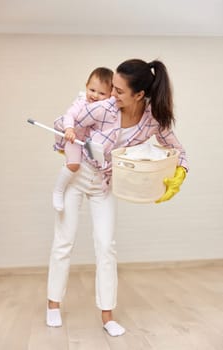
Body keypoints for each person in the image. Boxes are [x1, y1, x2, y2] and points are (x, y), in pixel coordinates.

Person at [46, 59, 188, 337]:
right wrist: (69, 136)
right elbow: (65, 121)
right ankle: (53, 305)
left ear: (139, 95)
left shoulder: (153, 121)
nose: (112, 95)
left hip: (106, 183)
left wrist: (180, 172)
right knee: (64, 240)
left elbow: (179, 150)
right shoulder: (104, 106)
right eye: (113, 88)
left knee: (106, 246)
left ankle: (107, 315)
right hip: (78, 175)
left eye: (119, 91)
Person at [53, 67, 113, 211]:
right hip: (74, 139)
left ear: (110, 95)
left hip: (88, 145)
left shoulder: (106, 108)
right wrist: (69, 129)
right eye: (92, 90)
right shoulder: (81, 101)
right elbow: (69, 115)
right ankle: (58, 190)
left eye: (102, 93)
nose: (95, 95)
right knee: (74, 165)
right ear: (86, 86)